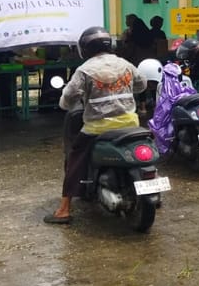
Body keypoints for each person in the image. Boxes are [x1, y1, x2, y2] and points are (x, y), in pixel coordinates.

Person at [44, 26, 147, 225]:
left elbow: (67, 100)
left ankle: (64, 209)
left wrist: (66, 103)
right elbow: (141, 85)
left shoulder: (85, 70)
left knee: (74, 158)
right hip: (130, 123)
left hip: (98, 128)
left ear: (85, 48)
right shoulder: (125, 63)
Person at [0, 49, 18, 118]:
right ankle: (6, 109)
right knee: (3, 87)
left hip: (7, 70)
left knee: (8, 86)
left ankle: (8, 108)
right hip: (0, 71)